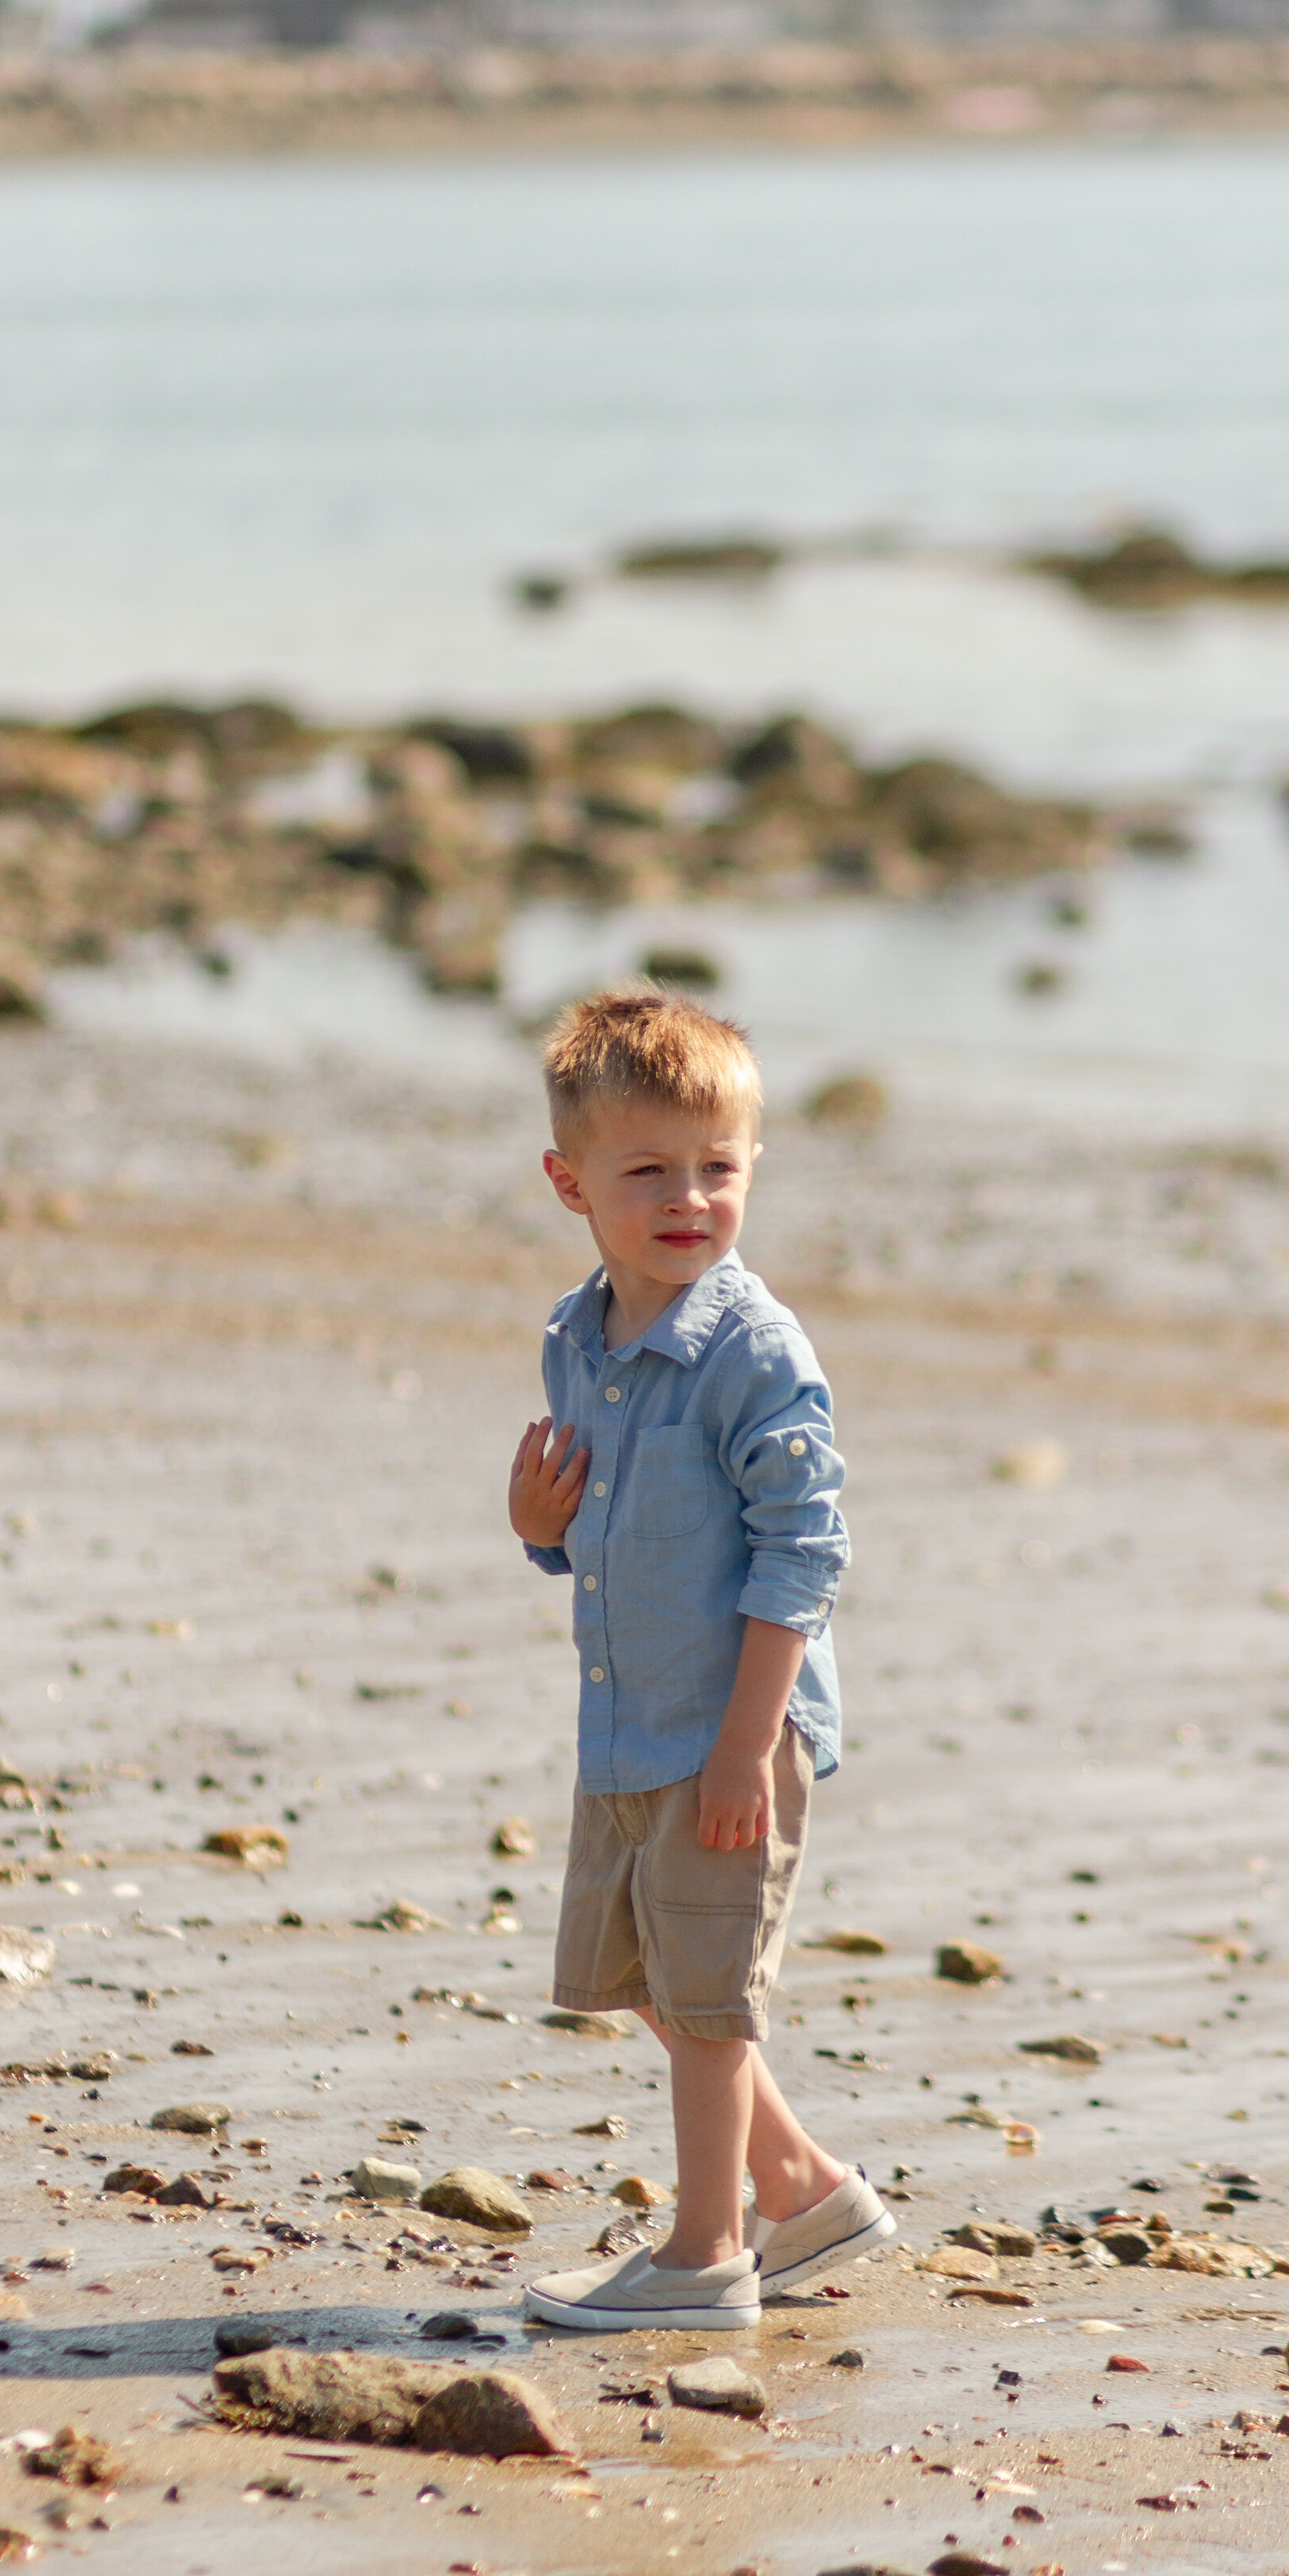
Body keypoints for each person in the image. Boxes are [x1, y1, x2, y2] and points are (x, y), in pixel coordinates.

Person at [506, 987, 895, 2333]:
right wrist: (537, 1531)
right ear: (572, 1182)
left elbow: (804, 1551)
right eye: (648, 1171)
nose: (689, 1198)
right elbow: (612, 1540)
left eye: (717, 1169)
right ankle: (804, 2187)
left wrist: (747, 1745)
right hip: (632, 1717)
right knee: (662, 1982)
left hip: (733, 1724)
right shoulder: (580, 1338)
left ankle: (707, 2251)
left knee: (709, 1998)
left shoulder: (754, 1351)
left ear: (752, 1168)